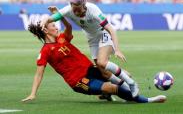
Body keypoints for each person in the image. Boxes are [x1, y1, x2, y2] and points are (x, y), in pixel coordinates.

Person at [22, 17, 166, 103]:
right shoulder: (45, 51)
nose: (56, 26)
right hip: (79, 81)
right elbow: (39, 74)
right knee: (112, 87)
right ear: (46, 31)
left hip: (89, 69)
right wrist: (33, 93)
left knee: (122, 76)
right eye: (53, 25)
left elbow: (69, 27)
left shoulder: (61, 39)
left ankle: (107, 94)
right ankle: (145, 100)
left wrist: (60, 15)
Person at [42, 0, 139, 98]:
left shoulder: (93, 10)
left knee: (102, 62)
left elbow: (111, 29)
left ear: (84, 4)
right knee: (104, 73)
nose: (76, 12)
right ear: (71, 5)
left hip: (103, 33)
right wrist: (43, 23)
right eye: (74, 9)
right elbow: (49, 19)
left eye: (79, 9)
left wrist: (117, 49)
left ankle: (131, 83)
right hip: (92, 40)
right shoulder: (68, 10)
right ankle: (123, 86)